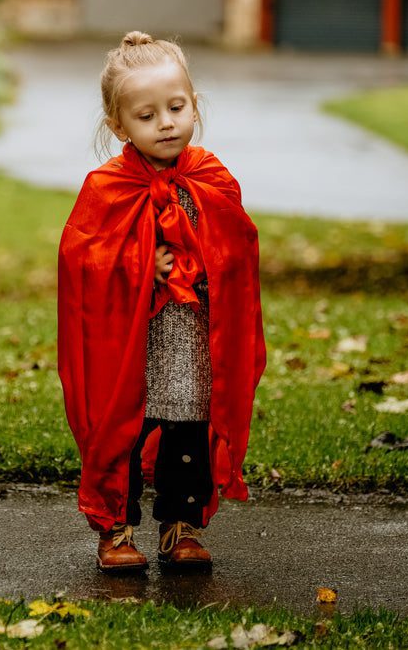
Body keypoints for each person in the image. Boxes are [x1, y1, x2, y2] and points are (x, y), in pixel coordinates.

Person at [57, 31, 266, 573]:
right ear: (118, 126)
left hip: (192, 337)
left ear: (195, 105)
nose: (166, 123)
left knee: (188, 432)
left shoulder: (211, 177)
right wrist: (139, 265)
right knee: (125, 431)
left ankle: (181, 526)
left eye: (176, 108)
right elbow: (85, 261)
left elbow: (238, 250)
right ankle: (116, 530)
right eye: (147, 116)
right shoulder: (107, 187)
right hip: (130, 342)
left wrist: (208, 265)